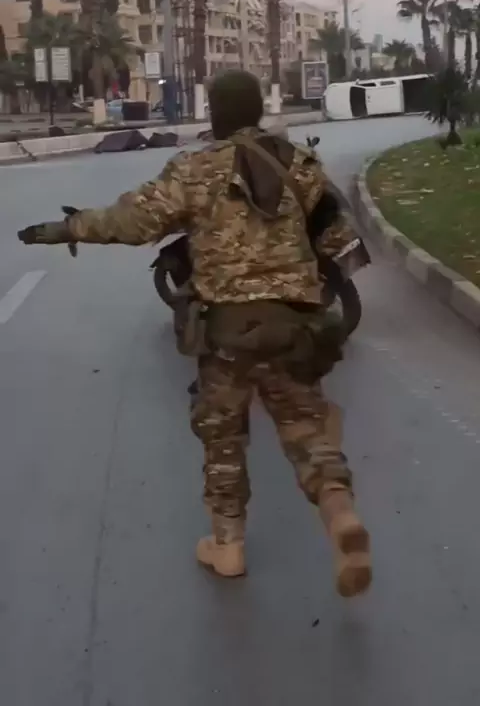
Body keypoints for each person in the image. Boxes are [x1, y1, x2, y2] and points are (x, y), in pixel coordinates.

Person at [18, 70, 371, 598]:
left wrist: (68, 228)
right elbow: (336, 234)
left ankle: (228, 547)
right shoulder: (298, 163)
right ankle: (340, 513)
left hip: (228, 330)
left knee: (223, 436)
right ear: (257, 109)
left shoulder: (195, 168)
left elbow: (132, 221)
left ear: (215, 112)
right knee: (305, 427)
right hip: (294, 323)